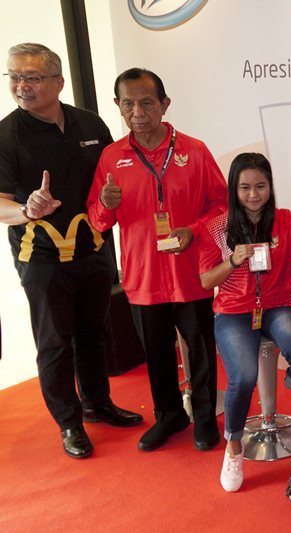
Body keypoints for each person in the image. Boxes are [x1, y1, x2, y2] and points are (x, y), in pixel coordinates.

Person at [0, 43, 142, 459]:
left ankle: (97, 403)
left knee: (94, 333)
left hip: (94, 249)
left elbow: (113, 174)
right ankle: (69, 422)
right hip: (41, 258)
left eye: (32, 77)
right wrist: (27, 210)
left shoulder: (89, 122)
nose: (21, 86)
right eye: (14, 77)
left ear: (58, 82)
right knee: (55, 343)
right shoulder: (6, 136)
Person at [86, 68, 227, 452]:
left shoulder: (194, 151)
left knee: (200, 349)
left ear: (164, 104)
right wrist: (105, 204)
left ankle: (204, 417)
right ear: (117, 106)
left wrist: (193, 230)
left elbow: (221, 206)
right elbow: (97, 221)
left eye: (147, 103)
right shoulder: (111, 157)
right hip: (143, 276)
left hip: (190, 272)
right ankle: (169, 416)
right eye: (128, 104)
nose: (137, 113)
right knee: (156, 352)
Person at [197, 152, 291, 492]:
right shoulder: (217, 227)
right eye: (245, 187)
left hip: (276, 304)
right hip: (234, 310)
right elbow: (206, 281)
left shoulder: (287, 220)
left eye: (261, 186)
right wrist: (234, 261)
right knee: (243, 377)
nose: (253, 194)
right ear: (233, 189)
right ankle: (234, 447)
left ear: (270, 186)